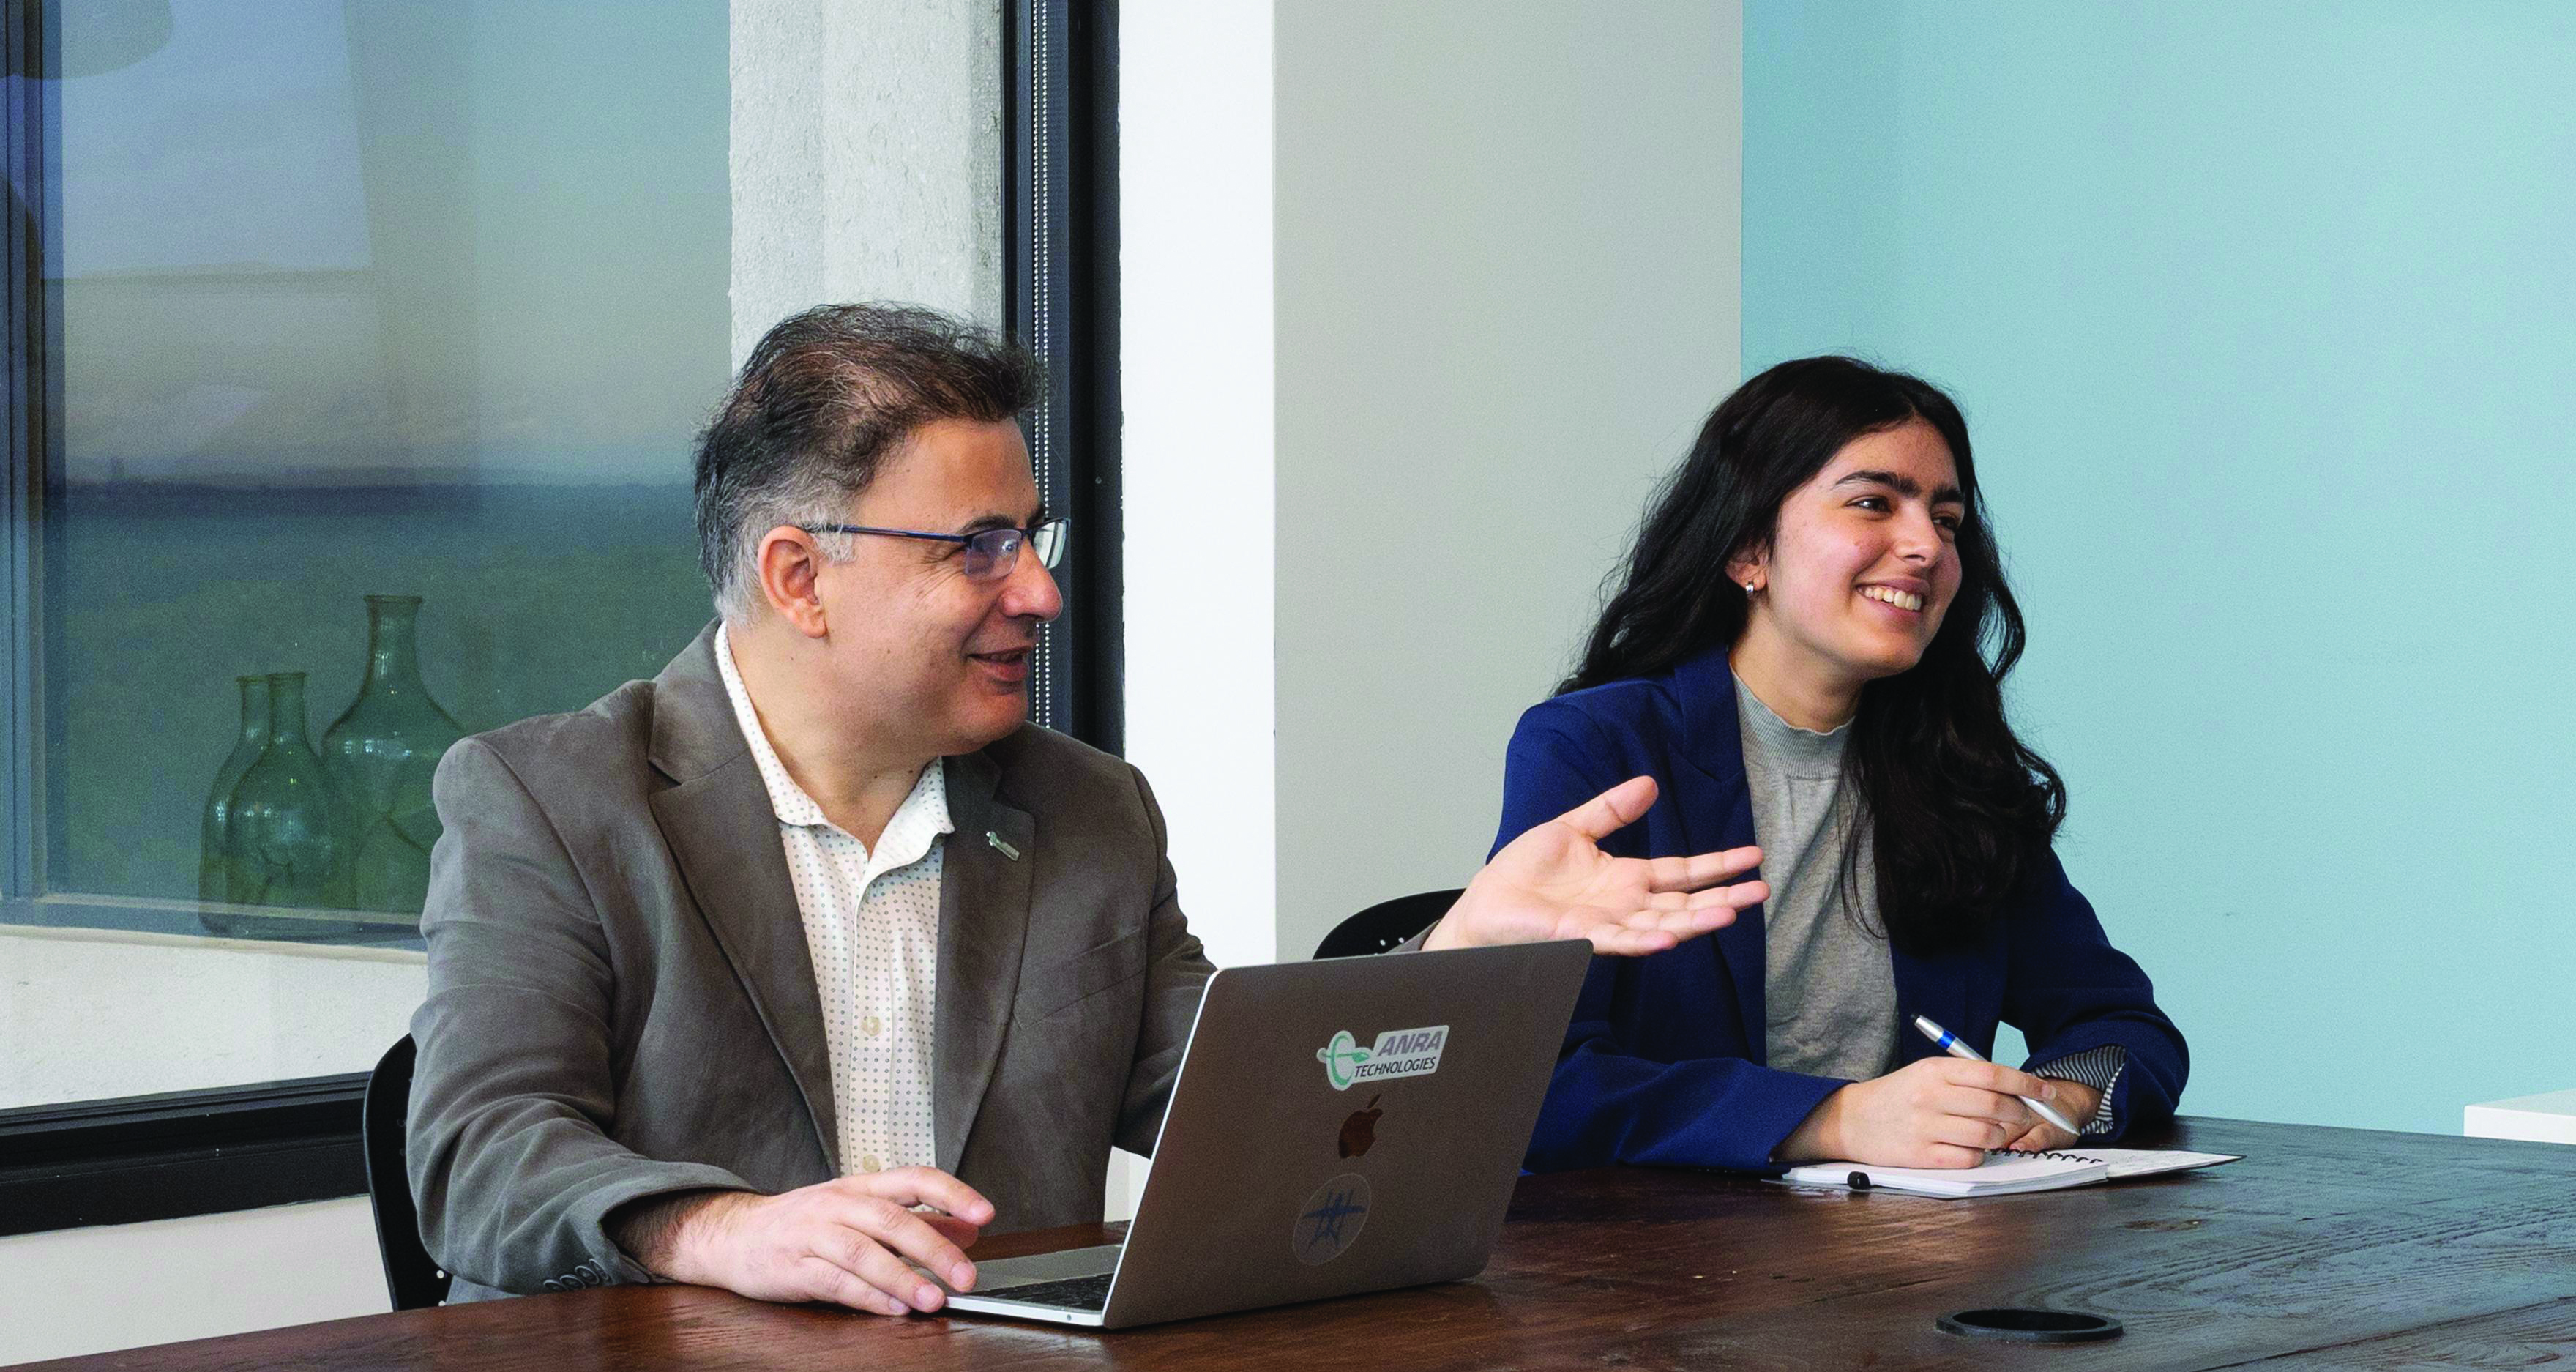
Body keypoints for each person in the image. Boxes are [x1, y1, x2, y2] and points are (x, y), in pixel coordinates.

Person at [409, 302, 1764, 1313]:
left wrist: (1461, 954)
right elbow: (478, 1158)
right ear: (796, 576)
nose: (1039, 594)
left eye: (1032, 538)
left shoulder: (1086, 811)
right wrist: (723, 1231)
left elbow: (1238, 1116)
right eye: (976, 550)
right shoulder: (553, 799)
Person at [1501, 355, 2184, 1174]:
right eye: (1873, 503)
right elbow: (1534, 1082)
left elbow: (2122, 1026)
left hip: (1902, 1256)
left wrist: (2062, 1099)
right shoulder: (1596, 748)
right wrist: (1830, 1119)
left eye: (1948, 520)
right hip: (1653, 1270)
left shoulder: (1957, 766)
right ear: (1749, 548)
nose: (1925, 545)